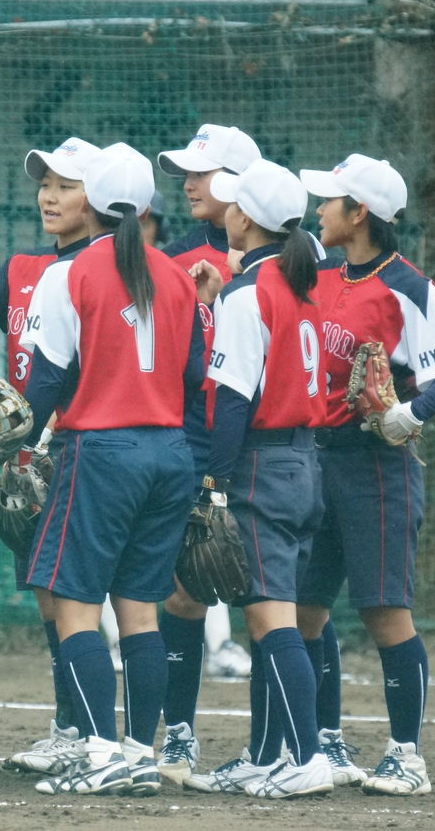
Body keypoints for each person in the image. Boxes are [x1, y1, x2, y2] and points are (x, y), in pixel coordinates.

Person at [21, 143, 208, 796]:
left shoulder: (70, 273)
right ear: (149, 205)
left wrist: (17, 441)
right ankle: (136, 752)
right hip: (168, 455)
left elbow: (42, 382)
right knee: (140, 614)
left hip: (100, 453)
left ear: (92, 202)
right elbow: (192, 378)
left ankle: (99, 753)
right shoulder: (179, 274)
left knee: (74, 608)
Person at [296, 154, 435, 796]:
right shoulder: (319, 273)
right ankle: (326, 742)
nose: (318, 210)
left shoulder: (406, 285)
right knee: (305, 609)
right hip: (318, 458)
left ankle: (407, 754)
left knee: (383, 611)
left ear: (360, 214)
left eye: (330, 201)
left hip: (377, 465)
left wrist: (408, 412)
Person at [0, 136, 100, 777]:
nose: (49, 195)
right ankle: (71, 725)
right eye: (45, 184)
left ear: (102, 198)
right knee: (47, 596)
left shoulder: (110, 266)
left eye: (66, 184)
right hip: (30, 451)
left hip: (86, 445)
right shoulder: (25, 269)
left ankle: (116, 733)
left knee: (84, 597)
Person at [182, 158, 333, 799]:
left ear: (244, 218)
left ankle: (305, 756)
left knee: (273, 621)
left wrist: (214, 482)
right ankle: (267, 754)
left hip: (263, 466)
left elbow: (235, 402)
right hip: (303, 462)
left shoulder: (251, 295)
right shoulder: (297, 288)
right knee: (268, 618)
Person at [149, 124, 262, 784]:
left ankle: (290, 740)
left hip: (273, 447)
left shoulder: (291, 263)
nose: (188, 183)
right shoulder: (175, 262)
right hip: (195, 444)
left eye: (203, 172)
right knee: (184, 595)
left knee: (283, 601)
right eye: (184, 172)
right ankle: (180, 732)